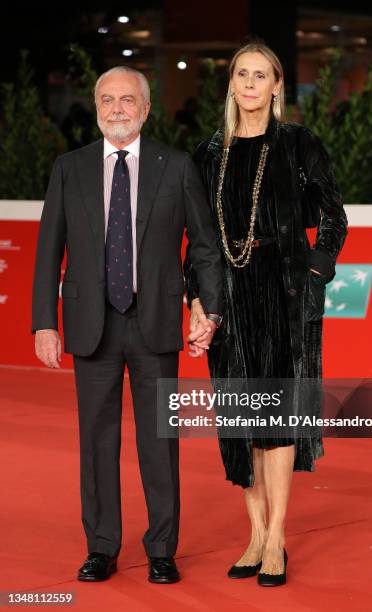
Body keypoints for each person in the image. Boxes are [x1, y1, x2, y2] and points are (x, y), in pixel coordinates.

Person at [32, 66, 222, 584]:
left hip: (155, 322)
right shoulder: (69, 168)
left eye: (127, 100)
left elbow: (204, 247)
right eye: (107, 99)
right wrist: (44, 322)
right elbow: (49, 250)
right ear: (96, 105)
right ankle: (101, 547)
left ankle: (162, 548)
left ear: (146, 108)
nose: (117, 109)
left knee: (159, 442)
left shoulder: (177, 166)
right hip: (90, 324)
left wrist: (211, 307)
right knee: (96, 441)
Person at [184, 42, 348, 587]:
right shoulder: (208, 153)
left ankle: (276, 536)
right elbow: (197, 239)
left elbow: (332, 214)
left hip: (283, 292)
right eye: (242, 74)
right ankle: (253, 533)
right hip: (228, 295)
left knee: (275, 419)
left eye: (262, 75)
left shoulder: (298, 143)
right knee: (240, 418)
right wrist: (197, 301)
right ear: (231, 83)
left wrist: (316, 272)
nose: (251, 83)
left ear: (277, 85)